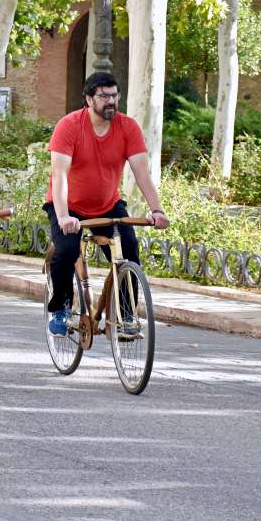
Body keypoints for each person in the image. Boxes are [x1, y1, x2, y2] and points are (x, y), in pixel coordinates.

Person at [44, 72, 170, 336]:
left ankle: (127, 318)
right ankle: (60, 308)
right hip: (68, 205)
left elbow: (141, 173)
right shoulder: (70, 126)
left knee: (129, 250)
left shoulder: (128, 127)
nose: (111, 101)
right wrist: (64, 216)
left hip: (107, 204)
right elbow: (60, 175)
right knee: (66, 251)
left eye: (114, 95)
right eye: (104, 96)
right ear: (89, 99)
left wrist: (157, 210)